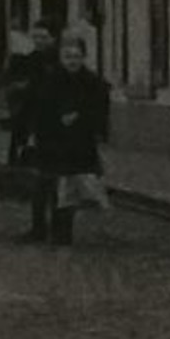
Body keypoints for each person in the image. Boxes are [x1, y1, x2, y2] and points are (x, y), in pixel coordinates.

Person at [29, 33, 110, 247]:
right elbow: (39, 111)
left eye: (76, 56)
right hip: (52, 144)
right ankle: (44, 228)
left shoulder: (93, 82)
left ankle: (63, 233)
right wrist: (55, 121)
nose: (72, 61)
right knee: (52, 186)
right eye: (67, 57)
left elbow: (100, 113)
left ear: (83, 57)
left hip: (79, 145)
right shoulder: (50, 81)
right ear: (60, 58)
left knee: (70, 189)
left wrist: (81, 118)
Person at [6, 17, 62, 238]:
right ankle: (38, 226)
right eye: (36, 37)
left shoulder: (61, 62)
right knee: (36, 177)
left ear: (54, 38)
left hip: (56, 129)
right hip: (32, 127)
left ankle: (58, 227)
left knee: (57, 179)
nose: (39, 41)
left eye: (44, 37)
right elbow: (15, 88)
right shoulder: (28, 61)